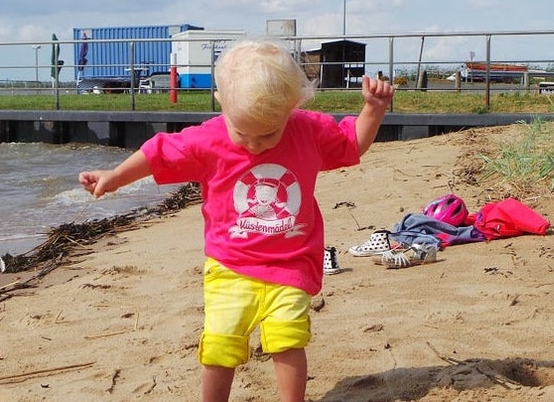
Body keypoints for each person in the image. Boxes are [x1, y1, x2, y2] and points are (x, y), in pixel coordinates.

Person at [79, 39, 393, 402]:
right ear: (220, 102)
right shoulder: (208, 139)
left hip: (291, 263)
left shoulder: (307, 131)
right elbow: (158, 152)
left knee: (288, 339)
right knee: (220, 344)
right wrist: (114, 177)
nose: (257, 145)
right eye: (244, 134)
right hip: (230, 265)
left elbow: (350, 143)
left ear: (293, 108)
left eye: (269, 134)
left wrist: (374, 109)